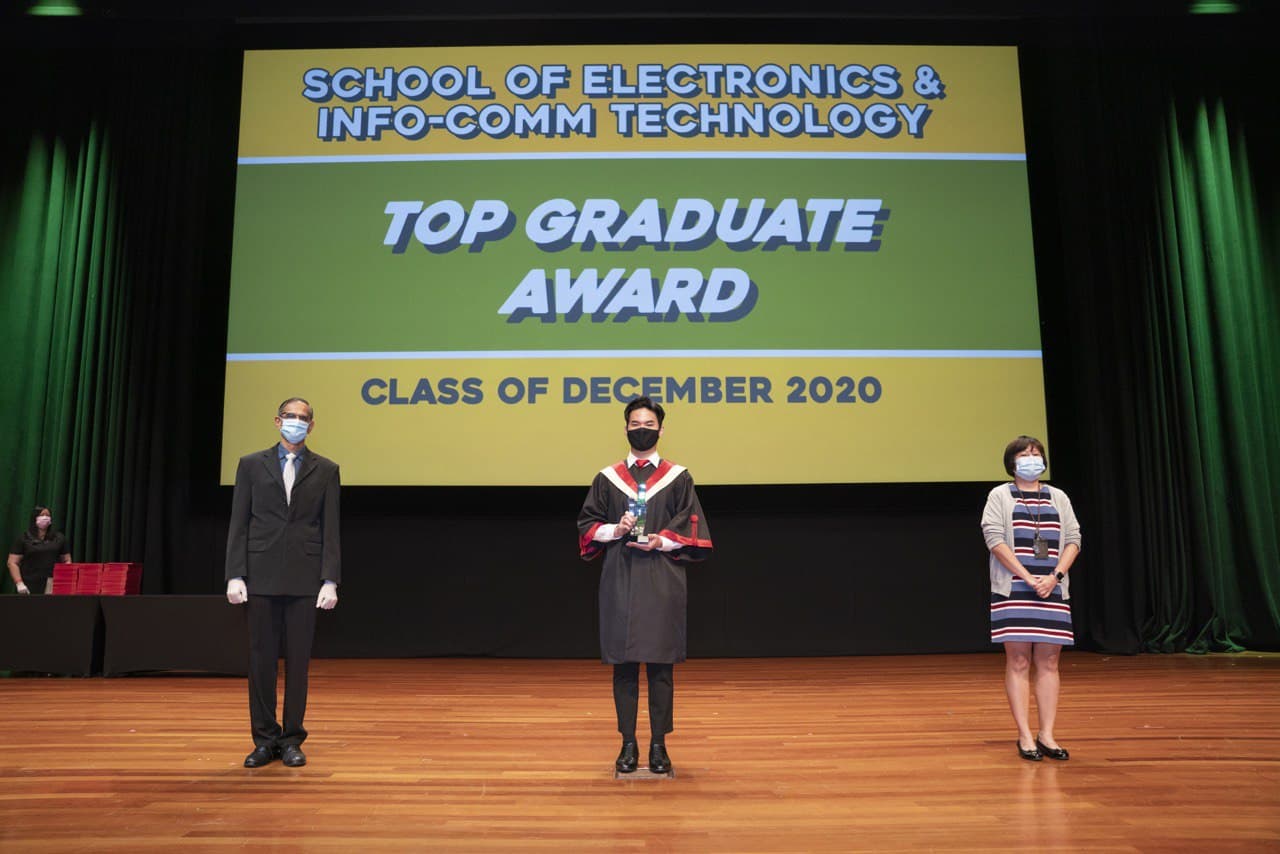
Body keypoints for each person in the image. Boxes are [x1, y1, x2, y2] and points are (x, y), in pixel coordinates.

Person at [577, 397, 713, 775]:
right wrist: (615, 528)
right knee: (623, 667)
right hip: (620, 576)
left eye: (649, 424)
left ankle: (658, 745)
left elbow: (693, 526)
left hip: (661, 577)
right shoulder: (607, 478)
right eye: (635, 423)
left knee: (660, 667)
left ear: (661, 430)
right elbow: (587, 525)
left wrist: (661, 540)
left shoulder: (678, 477)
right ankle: (627, 744)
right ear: (625, 428)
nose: (642, 429)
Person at [225, 397, 341, 769]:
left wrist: (330, 579)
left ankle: (292, 739)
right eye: (290, 416)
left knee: (298, 663)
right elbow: (239, 522)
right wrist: (235, 573)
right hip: (260, 575)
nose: (296, 422)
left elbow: (330, 528)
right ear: (277, 421)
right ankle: (264, 740)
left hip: (305, 579)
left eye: (303, 418)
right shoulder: (250, 465)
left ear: (312, 425)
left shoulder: (326, 469)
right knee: (260, 661)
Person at [982, 436, 1081, 762]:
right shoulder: (1000, 495)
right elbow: (994, 539)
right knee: (1019, 661)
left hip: (1052, 589)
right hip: (1014, 589)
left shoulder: (1058, 497)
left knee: (1050, 662)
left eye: (1036, 454)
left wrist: (1055, 577)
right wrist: (1027, 577)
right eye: (1024, 455)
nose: (1031, 459)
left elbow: (1074, 539)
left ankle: (1047, 734)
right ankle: (1025, 734)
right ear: (1012, 462)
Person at [7, 506, 72, 595]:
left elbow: (67, 560)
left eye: (48, 515)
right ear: (35, 518)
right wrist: (19, 583)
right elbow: (12, 562)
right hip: (29, 584)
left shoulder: (59, 538)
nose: (45, 517)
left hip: (53, 583)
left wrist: (65, 579)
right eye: (42, 515)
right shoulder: (24, 538)